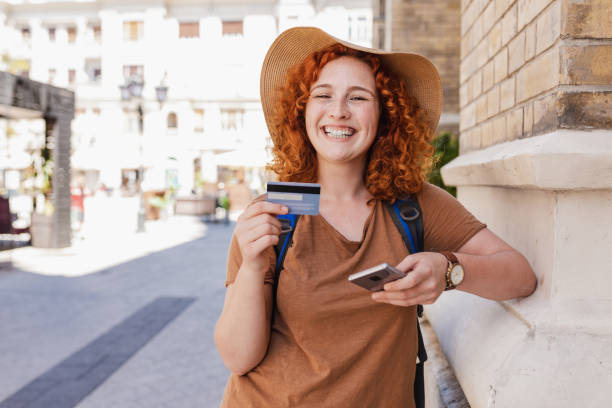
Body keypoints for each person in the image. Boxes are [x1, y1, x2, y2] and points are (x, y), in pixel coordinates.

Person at [214, 27, 537, 407]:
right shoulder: (271, 215)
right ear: (302, 110)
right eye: (323, 95)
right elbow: (238, 358)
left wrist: (448, 270)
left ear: (386, 114)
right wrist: (252, 266)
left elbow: (520, 276)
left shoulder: (414, 206)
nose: (338, 111)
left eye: (358, 97)